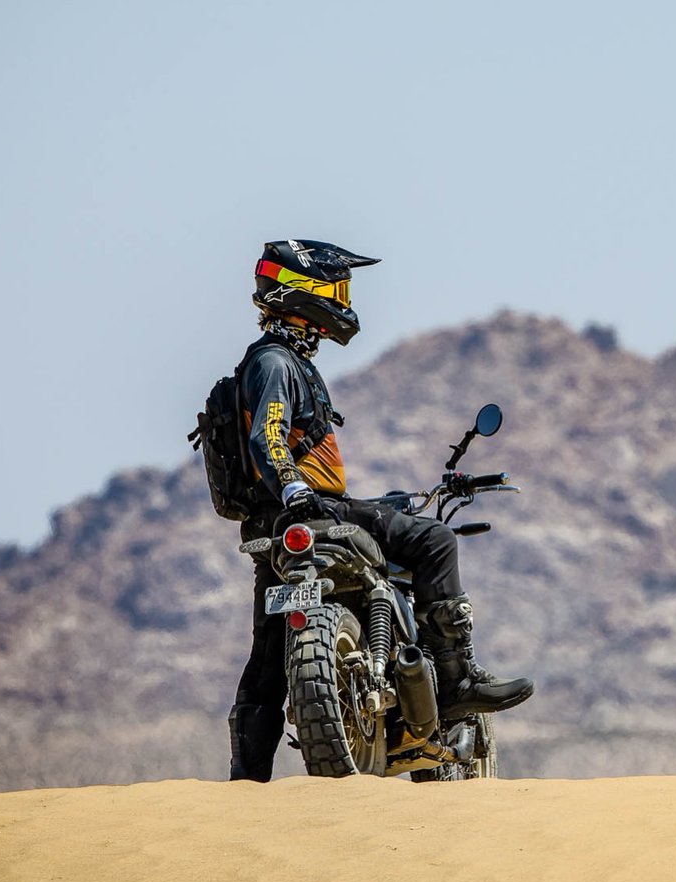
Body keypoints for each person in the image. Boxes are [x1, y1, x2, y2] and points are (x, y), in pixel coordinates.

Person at [228, 239, 534, 782]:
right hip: (311, 511)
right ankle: (458, 679)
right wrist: (295, 487)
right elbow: (267, 436)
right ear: (306, 294)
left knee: (267, 663)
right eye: (335, 289)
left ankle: (246, 780)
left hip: (278, 529)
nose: (343, 301)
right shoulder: (276, 363)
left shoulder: (274, 359)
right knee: (434, 541)